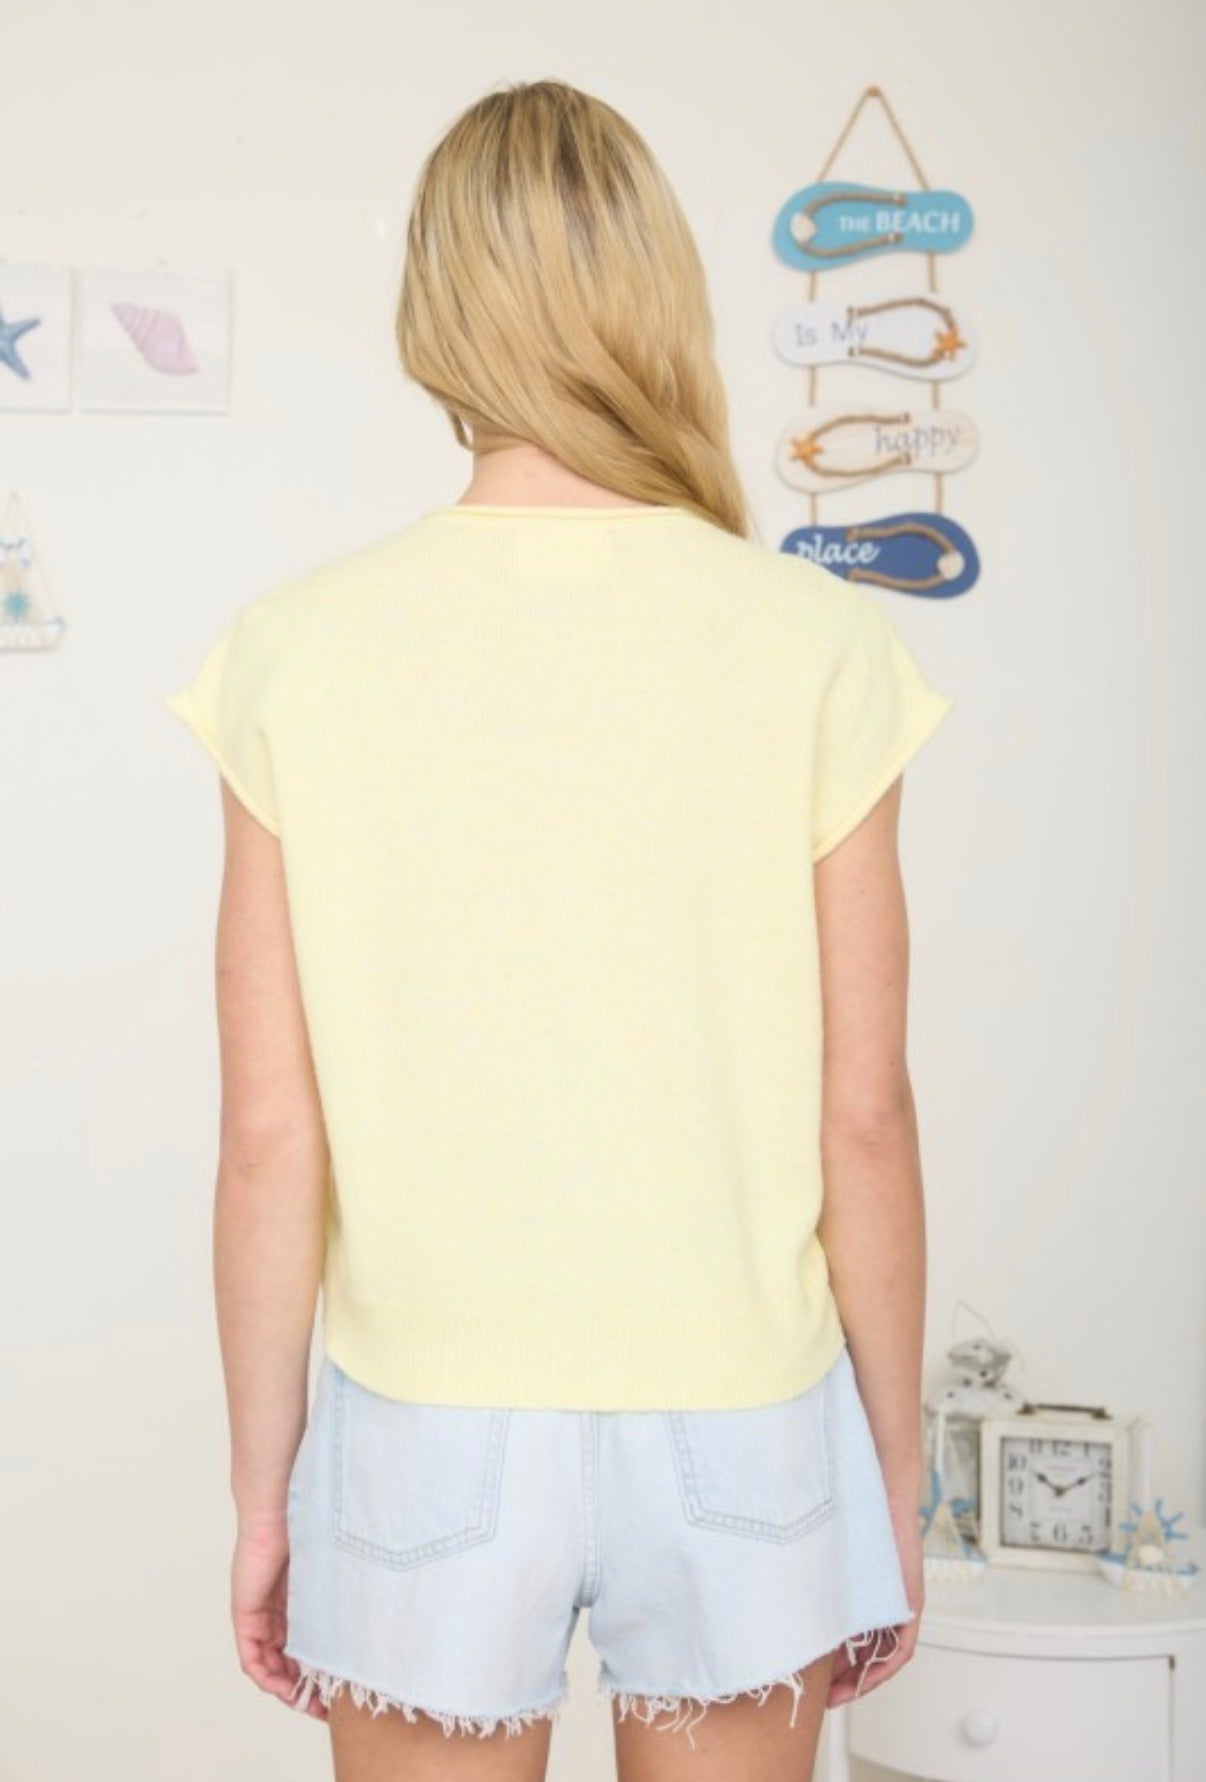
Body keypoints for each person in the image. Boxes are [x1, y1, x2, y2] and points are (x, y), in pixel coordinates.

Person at [165, 77, 954, 1782]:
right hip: (741, 1410)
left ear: (432, 311)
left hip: (426, 1414)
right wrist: (890, 1470)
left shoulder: (295, 650)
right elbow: (864, 1115)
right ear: (659, 293)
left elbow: (268, 1135)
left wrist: (263, 1495)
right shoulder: (814, 644)